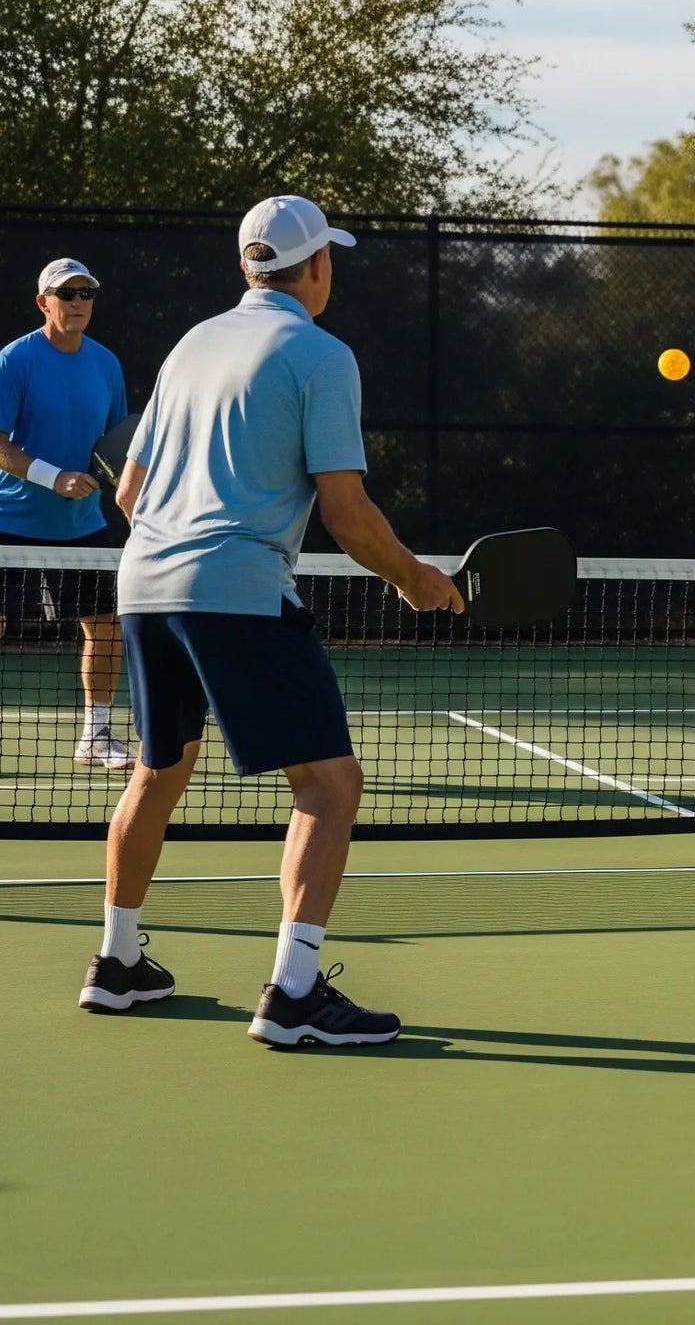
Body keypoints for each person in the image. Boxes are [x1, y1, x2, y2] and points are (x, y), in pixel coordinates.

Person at [77, 195, 462, 1047]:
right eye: (333, 260)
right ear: (316, 267)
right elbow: (349, 514)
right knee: (329, 785)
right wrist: (416, 580)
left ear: (248, 267)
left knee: (157, 772)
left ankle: (116, 964)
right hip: (237, 589)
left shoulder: (190, 346)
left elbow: (132, 493)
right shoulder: (320, 355)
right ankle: (293, 997)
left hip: (143, 582)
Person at [0, 258, 132, 769]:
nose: (78, 302)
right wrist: (52, 477)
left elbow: (118, 445)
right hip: (11, 523)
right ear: (44, 303)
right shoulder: (15, 361)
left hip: (85, 526)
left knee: (105, 627)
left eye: (86, 292)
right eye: (67, 293)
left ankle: (95, 736)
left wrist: (135, 504)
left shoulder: (106, 364)